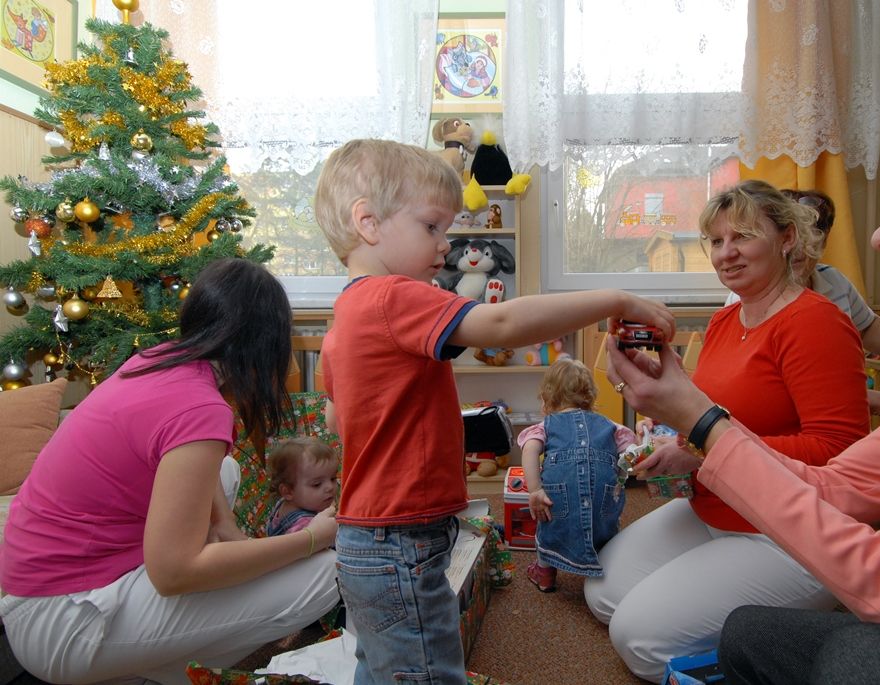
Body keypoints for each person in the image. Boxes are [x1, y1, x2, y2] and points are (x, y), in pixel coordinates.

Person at [604, 105, 880, 684]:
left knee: (858, 659)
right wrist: (691, 429)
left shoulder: (817, 320)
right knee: (742, 631)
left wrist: (704, 429)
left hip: (848, 564)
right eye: (716, 240)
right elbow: (835, 486)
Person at [312, 138, 675, 685]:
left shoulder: (346, 313)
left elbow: (336, 421)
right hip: (401, 538)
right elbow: (502, 324)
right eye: (431, 227)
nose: (446, 243)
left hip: (368, 536)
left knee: (385, 666)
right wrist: (616, 300)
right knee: (426, 673)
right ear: (368, 223)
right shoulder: (392, 296)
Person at [0, 258, 340, 685]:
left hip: (37, 592)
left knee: (225, 471)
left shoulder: (157, 361)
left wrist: (229, 532)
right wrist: (312, 539)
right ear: (265, 341)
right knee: (327, 574)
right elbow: (174, 571)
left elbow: (200, 488)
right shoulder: (199, 409)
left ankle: (139, 663)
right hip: (60, 623)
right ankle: (158, 673)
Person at [584, 179, 871, 682]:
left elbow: (838, 451)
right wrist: (662, 396)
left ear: (787, 238)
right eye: (716, 241)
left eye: (743, 236)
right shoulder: (726, 320)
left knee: (639, 639)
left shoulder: (815, 322)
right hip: (717, 502)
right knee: (603, 591)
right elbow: (712, 413)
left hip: (789, 533)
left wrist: (702, 453)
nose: (726, 253)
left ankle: (782, 646)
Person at [724, 188, 880, 416]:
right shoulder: (746, 297)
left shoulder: (833, 280)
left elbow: (868, 327)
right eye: (792, 239)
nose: (799, 250)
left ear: (823, 244)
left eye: (812, 239)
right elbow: (766, 390)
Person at [518, 359, 639, 593]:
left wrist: (535, 490)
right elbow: (631, 450)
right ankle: (608, 568)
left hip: (558, 496)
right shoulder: (610, 426)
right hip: (603, 496)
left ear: (547, 398)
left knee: (547, 525)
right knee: (605, 527)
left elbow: (530, 449)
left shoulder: (546, 425)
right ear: (590, 396)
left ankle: (544, 574)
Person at [265, 436, 340, 537]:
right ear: (288, 492)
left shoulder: (285, 503)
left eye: (333, 478)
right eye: (317, 484)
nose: (330, 487)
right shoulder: (305, 527)